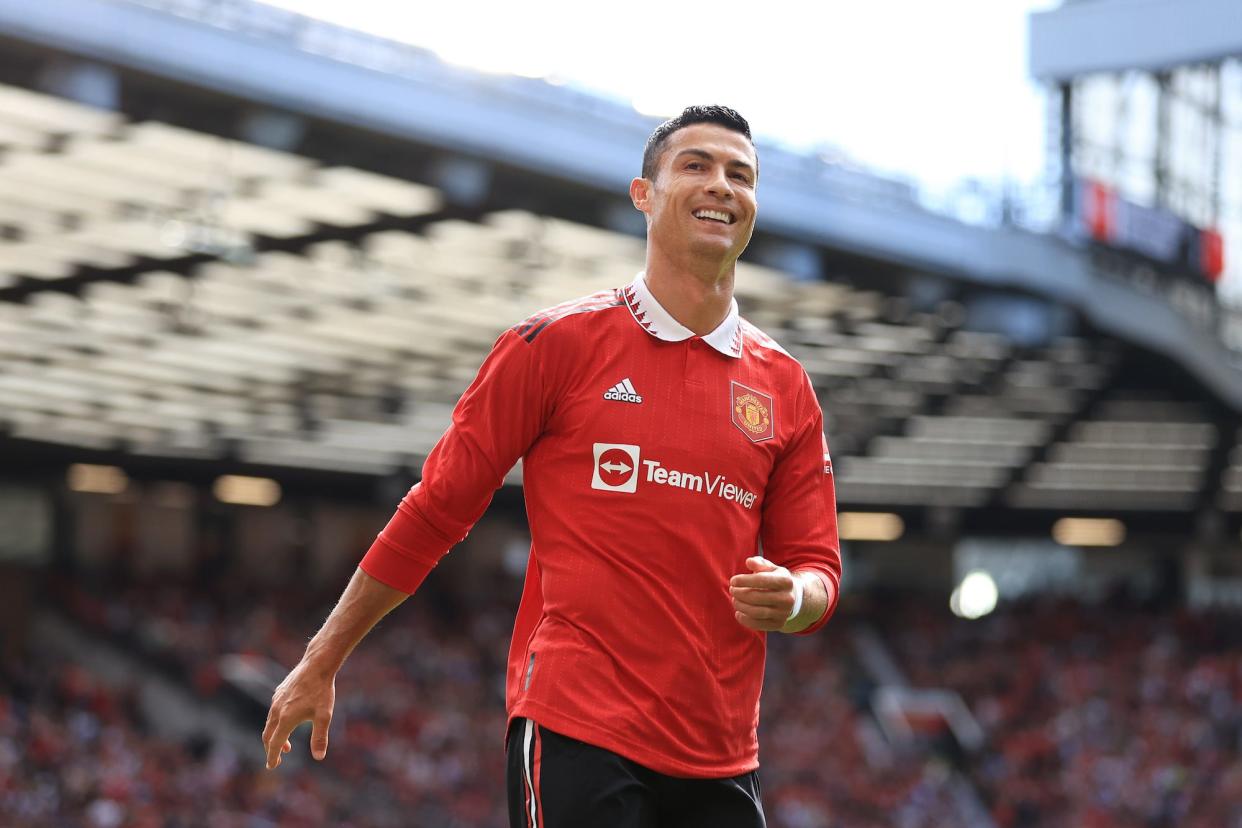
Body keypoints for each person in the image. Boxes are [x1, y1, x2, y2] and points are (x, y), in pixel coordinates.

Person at [263, 105, 841, 827]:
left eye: (740, 174)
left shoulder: (784, 386)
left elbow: (818, 565)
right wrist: (322, 658)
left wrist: (793, 598)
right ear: (644, 194)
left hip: (724, 754)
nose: (721, 185)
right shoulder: (553, 345)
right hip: (578, 729)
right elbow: (437, 508)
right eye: (695, 165)